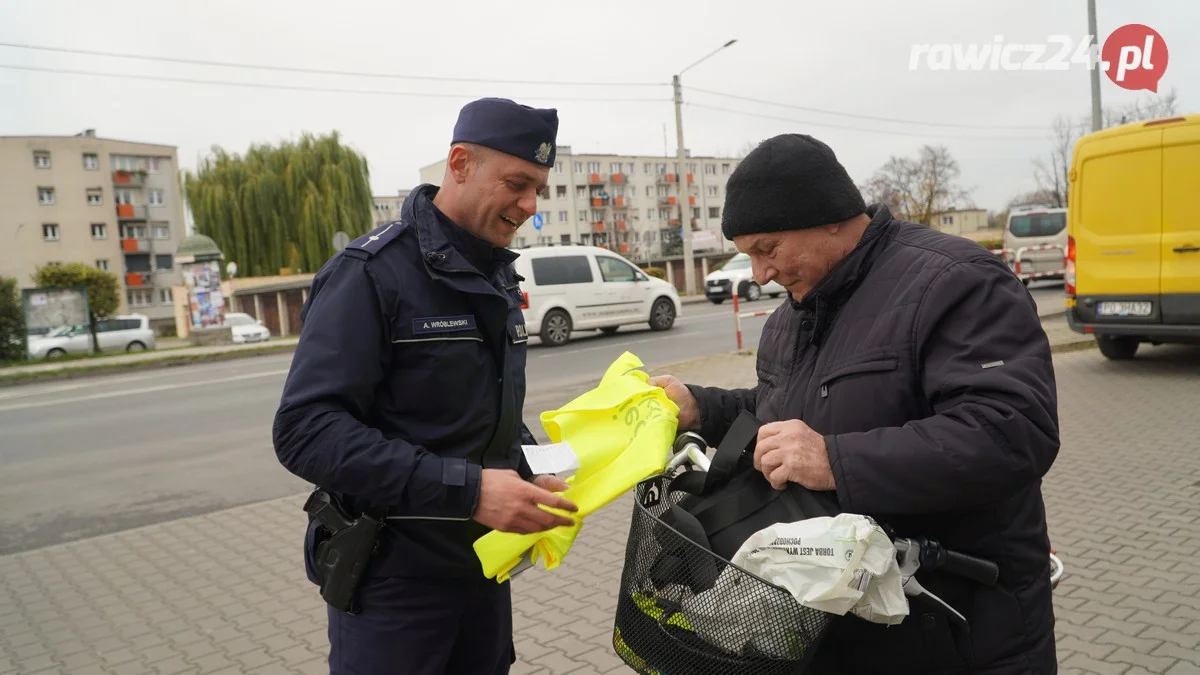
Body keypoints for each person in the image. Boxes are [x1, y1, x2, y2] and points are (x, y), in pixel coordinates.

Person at [649, 134, 1059, 674]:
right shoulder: (791, 315)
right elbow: (791, 409)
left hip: (956, 628)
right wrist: (701, 407)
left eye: (767, 249)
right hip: (842, 624)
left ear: (829, 219)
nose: (759, 274)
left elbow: (1011, 432)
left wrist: (834, 460)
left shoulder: (955, 282)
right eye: (749, 255)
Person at [272, 97, 579, 675]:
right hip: (395, 588)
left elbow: (482, 414)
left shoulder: (497, 273)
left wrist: (531, 466)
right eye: (517, 183)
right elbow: (305, 432)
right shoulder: (371, 273)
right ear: (459, 164)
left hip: (483, 573)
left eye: (540, 187)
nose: (530, 205)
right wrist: (469, 491)